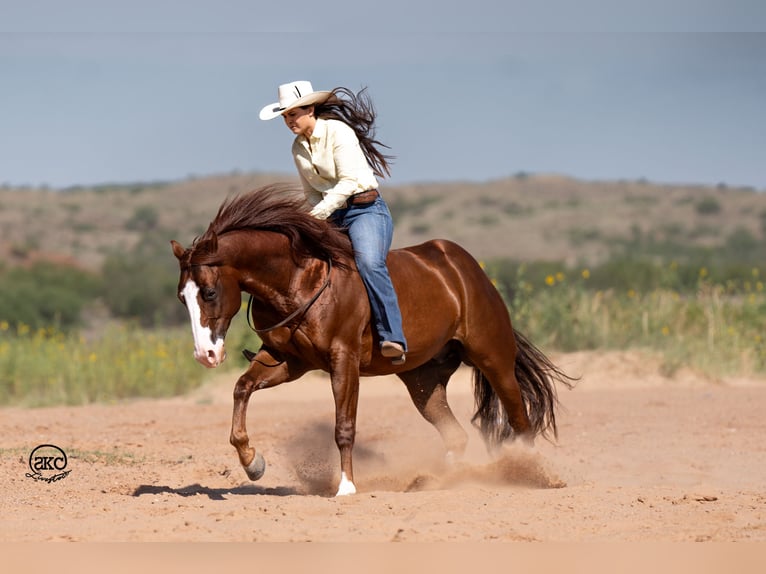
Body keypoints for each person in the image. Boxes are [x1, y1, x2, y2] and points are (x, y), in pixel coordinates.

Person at [259, 80, 408, 365]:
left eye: (293, 114)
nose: (289, 121)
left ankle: (393, 336)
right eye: (285, 116)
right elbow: (311, 193)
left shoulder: (338, 132)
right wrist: (312, 219)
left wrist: (317, 215)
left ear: (310, 109)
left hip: (365, 210)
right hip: (332, 215)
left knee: (368, 263)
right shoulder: (297, 148)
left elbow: (350, 181)